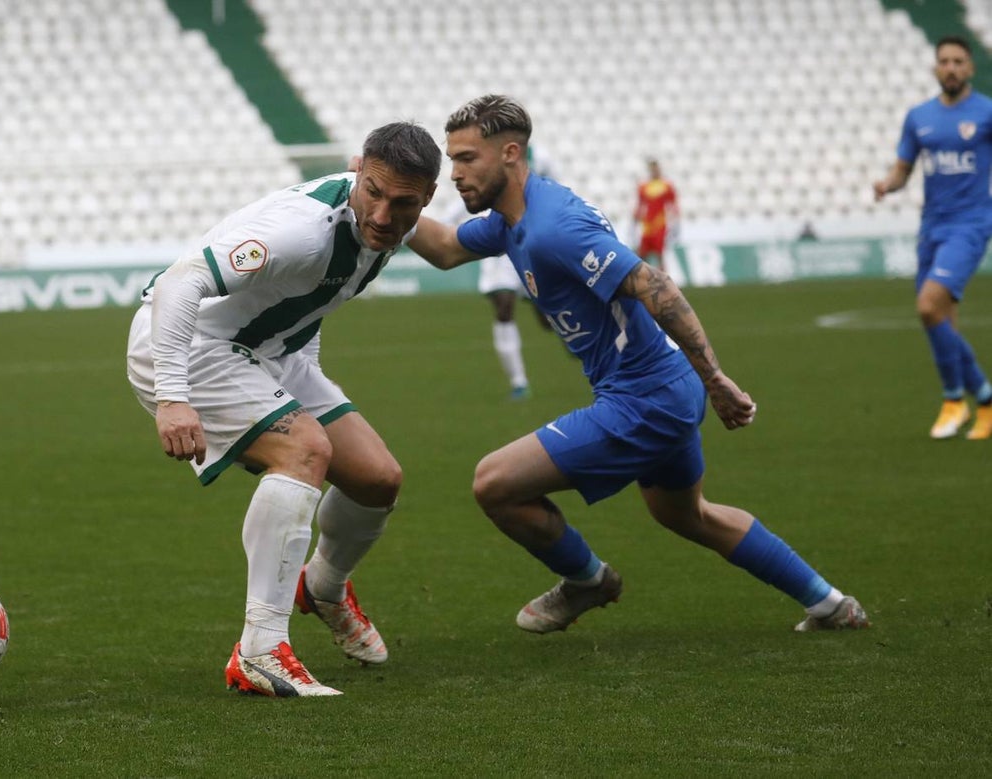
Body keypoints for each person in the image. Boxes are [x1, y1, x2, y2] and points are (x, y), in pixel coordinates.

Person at [408, 94, 869, 636]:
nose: (455, 174)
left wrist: (714, 376)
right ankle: (831, 605)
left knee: (494, 482)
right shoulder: (513, 219)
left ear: (510, 154)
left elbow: (655, 284)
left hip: (645, 397)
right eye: (452, 159)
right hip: (661, 391)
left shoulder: (554, 227)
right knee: (684, 514)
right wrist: (375, 191)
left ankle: (588, 581)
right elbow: (441, 248)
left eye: (467, 159)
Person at [126, 122, 441, 697]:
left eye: (404, 204)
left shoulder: (393, 221)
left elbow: (316, 295)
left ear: (427, 199)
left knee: (377, 480)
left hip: (271, 350)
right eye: (373, 191)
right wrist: (172, 397)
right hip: (189, 344)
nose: (382, 213)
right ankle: (261, 651)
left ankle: (321, 586)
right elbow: (179, 284)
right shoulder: (301, 231)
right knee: (305, 450)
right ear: (357, 171)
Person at [873, 35, 992, 440]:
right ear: (935, 68)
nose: (952, 67)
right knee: (941, 320)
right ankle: (986, 399)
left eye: (959, 61)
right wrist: (887, 185)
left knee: (928, 307)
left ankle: (953, 399)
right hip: (932, 228)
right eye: (945, 61)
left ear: (970, 68)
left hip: (971, 225)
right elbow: (904, 169)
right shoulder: (918, 116)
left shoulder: (986, 113)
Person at [442, 145, 559, 400]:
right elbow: (466, 199)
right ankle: (519, 382)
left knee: (548, 317)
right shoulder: (489, 156)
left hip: (531, 244)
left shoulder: (541, 157)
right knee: (504, 308)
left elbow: (553, 188)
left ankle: (578, 340)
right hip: (499, 247)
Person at [633, 157, 679, 271]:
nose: (654, 170)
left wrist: (675, 221)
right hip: (647, 225)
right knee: (642, 254)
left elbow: (673, 204)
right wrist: (635, 218)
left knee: (660, 254)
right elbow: (640, 205)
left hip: (659, 224)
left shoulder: (666, 185)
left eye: (656, 168)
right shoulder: (643, 186)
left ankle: (664, 282)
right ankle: (645, 279)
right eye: (652, 168)